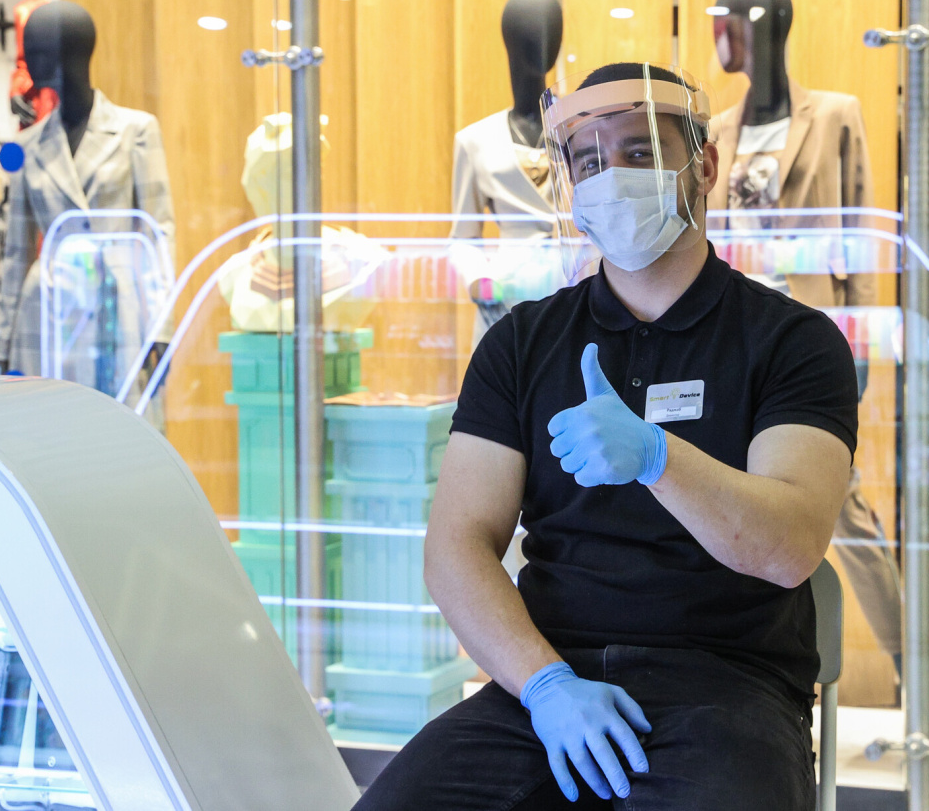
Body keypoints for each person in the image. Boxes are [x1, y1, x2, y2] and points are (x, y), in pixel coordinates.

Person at [352, 62, 857, 810]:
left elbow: (789, 551)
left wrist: (658, 457)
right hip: (548, 688)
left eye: (640, 152)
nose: (610, 176)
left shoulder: (793, 342)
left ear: (705, 166)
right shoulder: (521, 344)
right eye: (588, 160)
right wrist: (546, 686)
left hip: (728, 693)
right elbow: (456, 545)